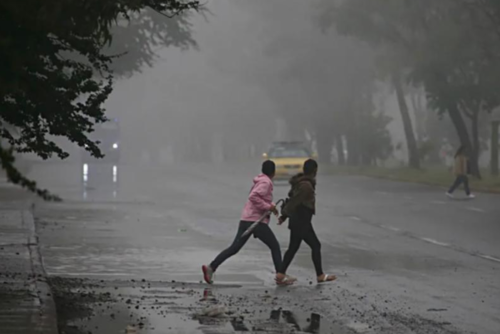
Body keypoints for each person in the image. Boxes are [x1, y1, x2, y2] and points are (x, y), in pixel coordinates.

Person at [202, 160, 283, 284]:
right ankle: (280, 276)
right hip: (255, 222)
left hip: (247, 219)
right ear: (274, 172)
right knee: (275, 246)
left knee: (234, 248)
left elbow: (260, 198)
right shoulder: (266, 182)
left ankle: (211, 267)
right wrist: (268, 207)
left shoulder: (261, 180)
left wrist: (271, 206)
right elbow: (254, 196)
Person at [275, 159, 337, 285]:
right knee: (315, 245)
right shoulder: (305, 186)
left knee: (293, 248)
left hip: (298, 220)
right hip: (301, 221)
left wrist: (285, 217)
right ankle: (320, 275)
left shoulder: (302, 183)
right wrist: (284, 216)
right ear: (315, 170)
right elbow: (294, 202)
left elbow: (292, 201)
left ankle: (280, 274)